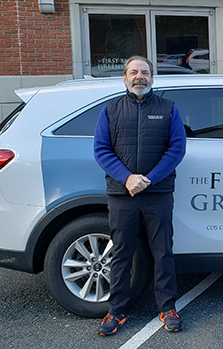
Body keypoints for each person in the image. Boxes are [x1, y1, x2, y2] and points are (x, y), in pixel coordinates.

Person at [93, 55, 187, 336]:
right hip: (122, 195)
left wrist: (148, 179)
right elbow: (101, 150)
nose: (139, 77)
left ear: (152, 79)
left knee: (163, 252)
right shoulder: (110, 110)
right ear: (124, 78)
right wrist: (128, 178)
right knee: (121, 254)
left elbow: (176, 149)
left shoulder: (168, 109)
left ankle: (167, 306)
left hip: (157, 192)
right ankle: (117, 310)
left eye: (145, 72)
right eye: (133, 72)